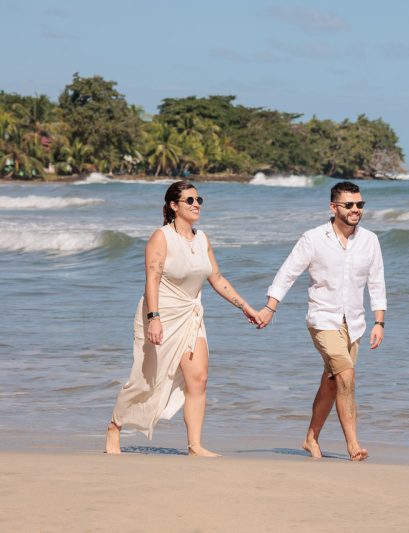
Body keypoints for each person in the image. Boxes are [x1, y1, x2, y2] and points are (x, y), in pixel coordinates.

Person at [105, 181, 261, 457]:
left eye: (198, 199)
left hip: (190, 315)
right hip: (160, 315)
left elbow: (217, 279)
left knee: (198, 379)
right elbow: (151, 279)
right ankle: (115, 426)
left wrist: (245, 306)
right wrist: (154, 318)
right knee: (146, 380)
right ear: (173, 206)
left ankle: (194, 445)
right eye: (189, 200)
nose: (196, 204)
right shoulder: (161, 237)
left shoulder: (202, 239)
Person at [256, 181, 386, 461]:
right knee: (346, 375)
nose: (355, 210)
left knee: (332, 382)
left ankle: (310, 438)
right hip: (322, 320)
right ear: (334, 207)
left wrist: (379, 321)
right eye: (349, 205)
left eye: (359, 205)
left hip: (355, 323)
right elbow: (288, 272)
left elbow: (376, 281)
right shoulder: (313, 239)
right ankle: (353, 445)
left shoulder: (370, 240)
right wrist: (270, 307)